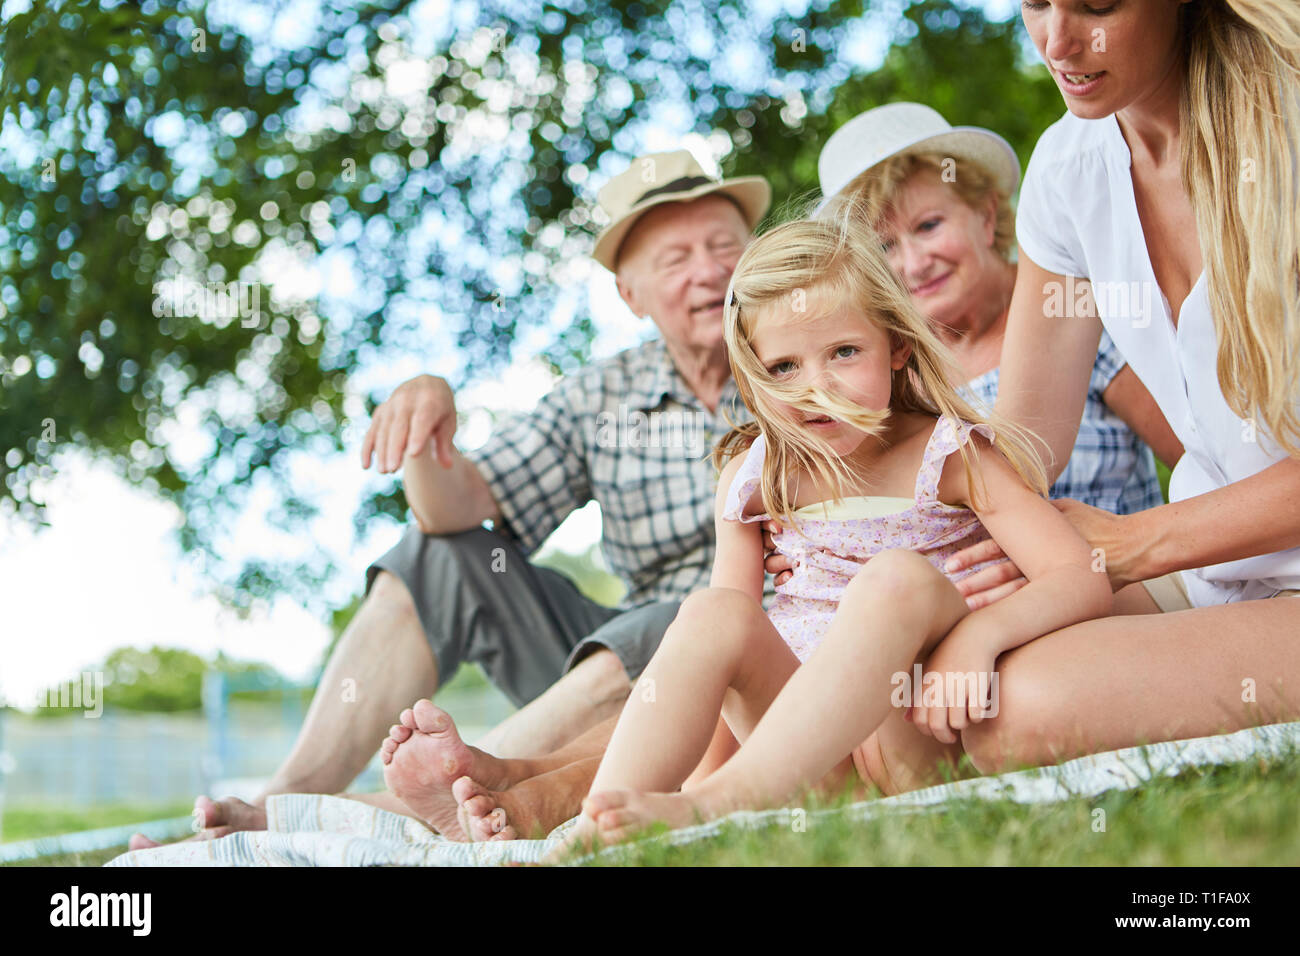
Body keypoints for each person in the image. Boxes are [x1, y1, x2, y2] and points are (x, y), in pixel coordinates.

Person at [128, 150, 773, 849]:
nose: (709, 272)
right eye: (676, 258)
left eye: (724, 247)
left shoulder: (801, 357)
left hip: (760, 649)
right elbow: (454, 508)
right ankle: (290, 801)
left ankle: (447, 795)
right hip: (607, 665)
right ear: (629, 293)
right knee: (440, 555)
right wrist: (427, 421)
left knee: (685, 616)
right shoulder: (600, 394)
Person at [561, 212, 1114, 849]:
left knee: (895, 578)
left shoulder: (951, 454)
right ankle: (592, 833)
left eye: (844, 352)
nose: (817, 386)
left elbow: (1080, 576)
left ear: (896, 345)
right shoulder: (755, 476)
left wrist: (982, 636)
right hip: (807, 775)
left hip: (915, 745)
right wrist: (702, 779)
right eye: (784, 367)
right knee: (711, 611)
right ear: (754, 375)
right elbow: (722, 660)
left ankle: (725, 800)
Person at [941, 0, 1300, 769]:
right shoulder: (1069, 169)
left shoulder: (1290, 126)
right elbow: (1023, 446)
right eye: (1036, 4)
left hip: (1246, 569)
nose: (1059, 41)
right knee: (935, 638)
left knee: (1020, 708)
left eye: (1098, 5)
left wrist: (1129, 545)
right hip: (1215, 576)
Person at [817, 102, 1178, 521]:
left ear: (986, 215)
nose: (914, 263)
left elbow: (1211, 471)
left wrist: (1124, 549)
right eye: (885, 247)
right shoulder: (884, 370)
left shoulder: (1075, 308)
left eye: (929, 226)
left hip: (1114, 581)